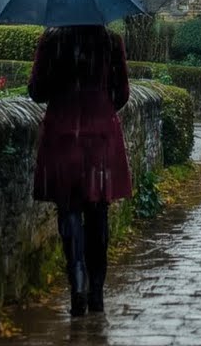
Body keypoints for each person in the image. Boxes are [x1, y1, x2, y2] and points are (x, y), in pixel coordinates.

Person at [28, 24, 131, 316]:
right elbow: (122, 93)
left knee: (69, 209)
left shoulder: (52, 39)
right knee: (98, 210)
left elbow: (37, 91)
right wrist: (99, 106)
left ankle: (78, 283)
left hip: (63, 135)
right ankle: (97, 294)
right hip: (100, 138)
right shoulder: (110, 41)